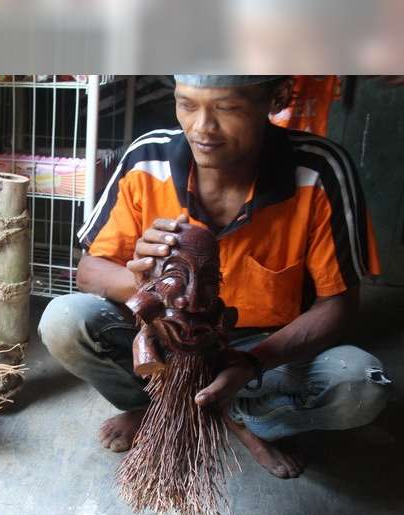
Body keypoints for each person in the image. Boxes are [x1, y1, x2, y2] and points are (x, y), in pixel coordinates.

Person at [39, 75, 391, 479]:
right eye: (186, 105)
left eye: (227, 108)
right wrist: (152, 284)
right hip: (170, 337)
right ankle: (157, 406)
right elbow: (89, 271)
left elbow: (339, 304)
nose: (202, 127)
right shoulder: (147, 157)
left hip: (263, 347)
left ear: (276, 99)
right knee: (64, 320)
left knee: (360, 386)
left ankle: (243, 413)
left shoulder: (319, 170)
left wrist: (251, 363)